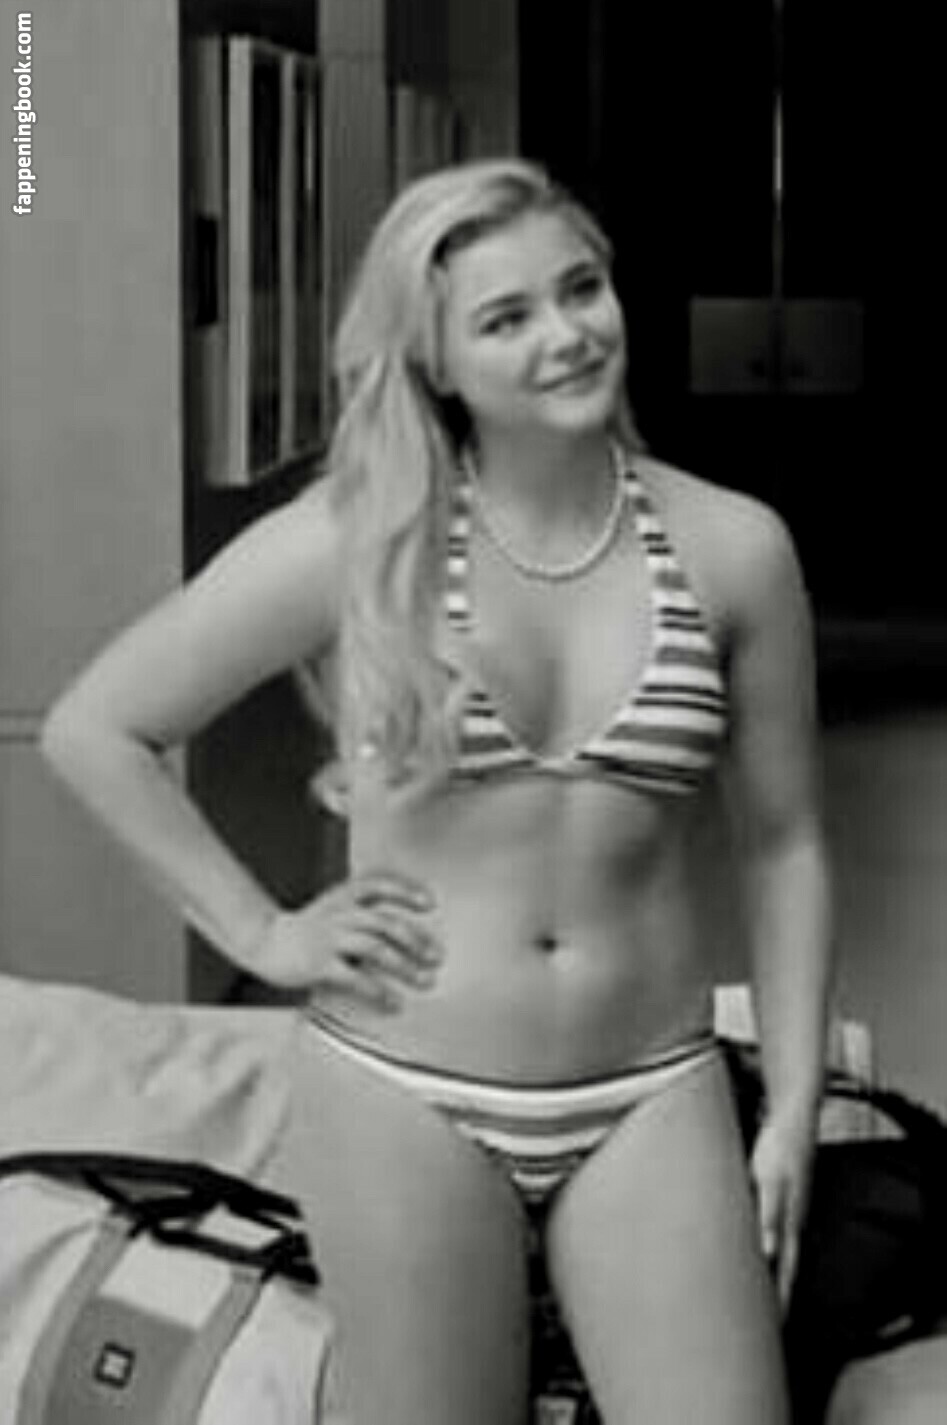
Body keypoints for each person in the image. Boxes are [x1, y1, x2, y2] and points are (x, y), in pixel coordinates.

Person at [41, 158, 832, 1424]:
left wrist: (789, 1107)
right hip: (405, 1088)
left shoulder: (734, 549)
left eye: (581, 289)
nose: (566, 335)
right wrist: (263, 934)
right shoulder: (363, 541)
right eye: (505, 318)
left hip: (647, 1086)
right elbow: (97, 728)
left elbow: (783, 845)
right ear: (437, 363)